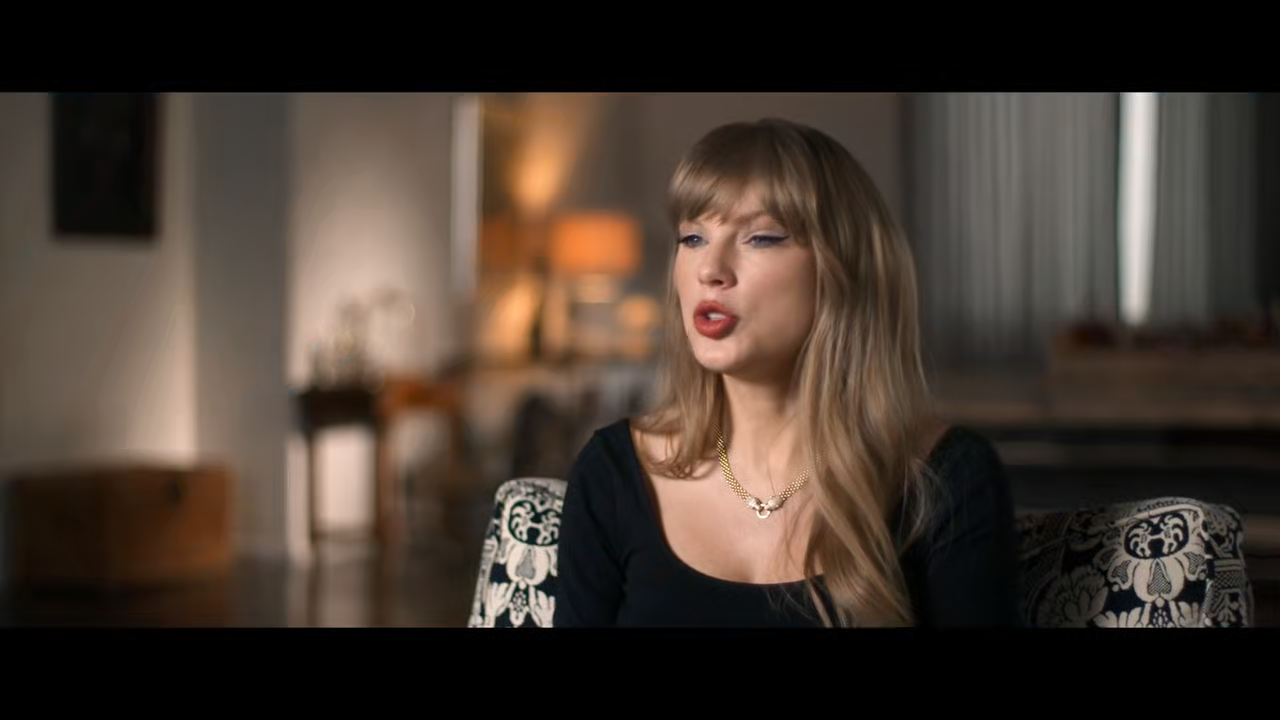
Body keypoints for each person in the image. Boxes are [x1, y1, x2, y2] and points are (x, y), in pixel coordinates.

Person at [552, 118, 1023, 628]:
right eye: (692, 237)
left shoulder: (946, 478)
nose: (710, 269)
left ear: (842, 270)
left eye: (761, 238)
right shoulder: (612, 475)